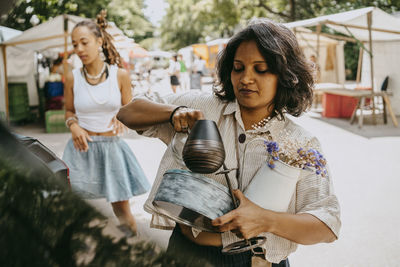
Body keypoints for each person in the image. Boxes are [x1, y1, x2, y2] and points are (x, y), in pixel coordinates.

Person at [117, 19, 340, 266]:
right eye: (238, 67)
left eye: (261, 69)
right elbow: (128, 111)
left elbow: (327, 224)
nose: (246, 78)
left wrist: (266, 220)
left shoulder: (301, 143)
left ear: (285, 76)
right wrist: (173, 113)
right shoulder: (202, 108)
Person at [62, 11, 150, 235]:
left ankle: (131, 253)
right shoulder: (72, 76)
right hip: (81, 150)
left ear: (99, 42)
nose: (79, 49)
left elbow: (130, 111)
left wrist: (122, 115)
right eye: (75, 44)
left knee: (122, 212)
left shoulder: (119, 75)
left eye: (84, 42)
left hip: (112, 150)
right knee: (77, 211)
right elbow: (69, 110)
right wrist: (74, 126)